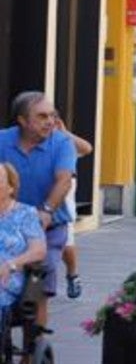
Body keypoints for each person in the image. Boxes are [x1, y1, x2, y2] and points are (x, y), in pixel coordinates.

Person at [0, 91, 76, 327]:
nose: (50, 122)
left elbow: (64, 179)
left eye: (52, 116)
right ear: (22, 120)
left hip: (48, 225)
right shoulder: (3, 140)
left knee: (38, 281)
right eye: (42, 116)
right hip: (5, 219)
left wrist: (45, 210)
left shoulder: (62, 143)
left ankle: (33, 346)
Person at [53, 114, 91, 298]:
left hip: (63, 200)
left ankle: (72, 273)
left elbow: (87, 148)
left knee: (66, 243)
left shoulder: (64, 143)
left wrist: (65, 132)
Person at [0, 163, 46, 311]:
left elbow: (38, 250)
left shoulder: (25, 213)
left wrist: (11, 265)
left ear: (11, 188)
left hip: (7, 276)